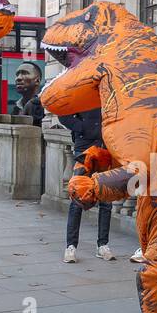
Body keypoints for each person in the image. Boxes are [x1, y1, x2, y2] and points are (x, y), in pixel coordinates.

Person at [60, 109, 114, 263]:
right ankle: (71, 246)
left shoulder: (109, 95)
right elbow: (62, 113)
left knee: (106, 200)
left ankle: (103, 245)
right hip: (84, 149)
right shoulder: (80, 95)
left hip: (106, 148)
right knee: (77, 199)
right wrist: (82, 127)